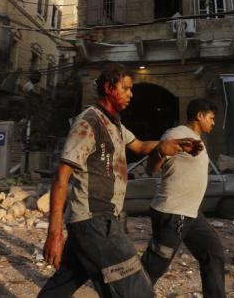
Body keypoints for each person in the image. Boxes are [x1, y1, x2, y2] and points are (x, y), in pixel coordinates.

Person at [38, 63, 194, 298]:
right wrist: (54, 232)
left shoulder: (114, 124)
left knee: (65, 282)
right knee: (137, 291)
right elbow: (61, 178)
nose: (131, 94)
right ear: (110, 88)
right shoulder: (87, 123)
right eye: (126, 88)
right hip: (95, 221)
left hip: (96, 222)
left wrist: (173, 146)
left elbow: (140, 146)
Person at [141, 98, 226, 298]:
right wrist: (161, 150)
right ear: (199, 115)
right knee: (154, 267)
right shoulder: (176, 135)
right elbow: (151, 168)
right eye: (211, 118)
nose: (213, 123)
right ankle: (126, 293)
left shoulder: (196, 138)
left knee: (213, 253)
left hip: (191, 213)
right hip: (172, 214)